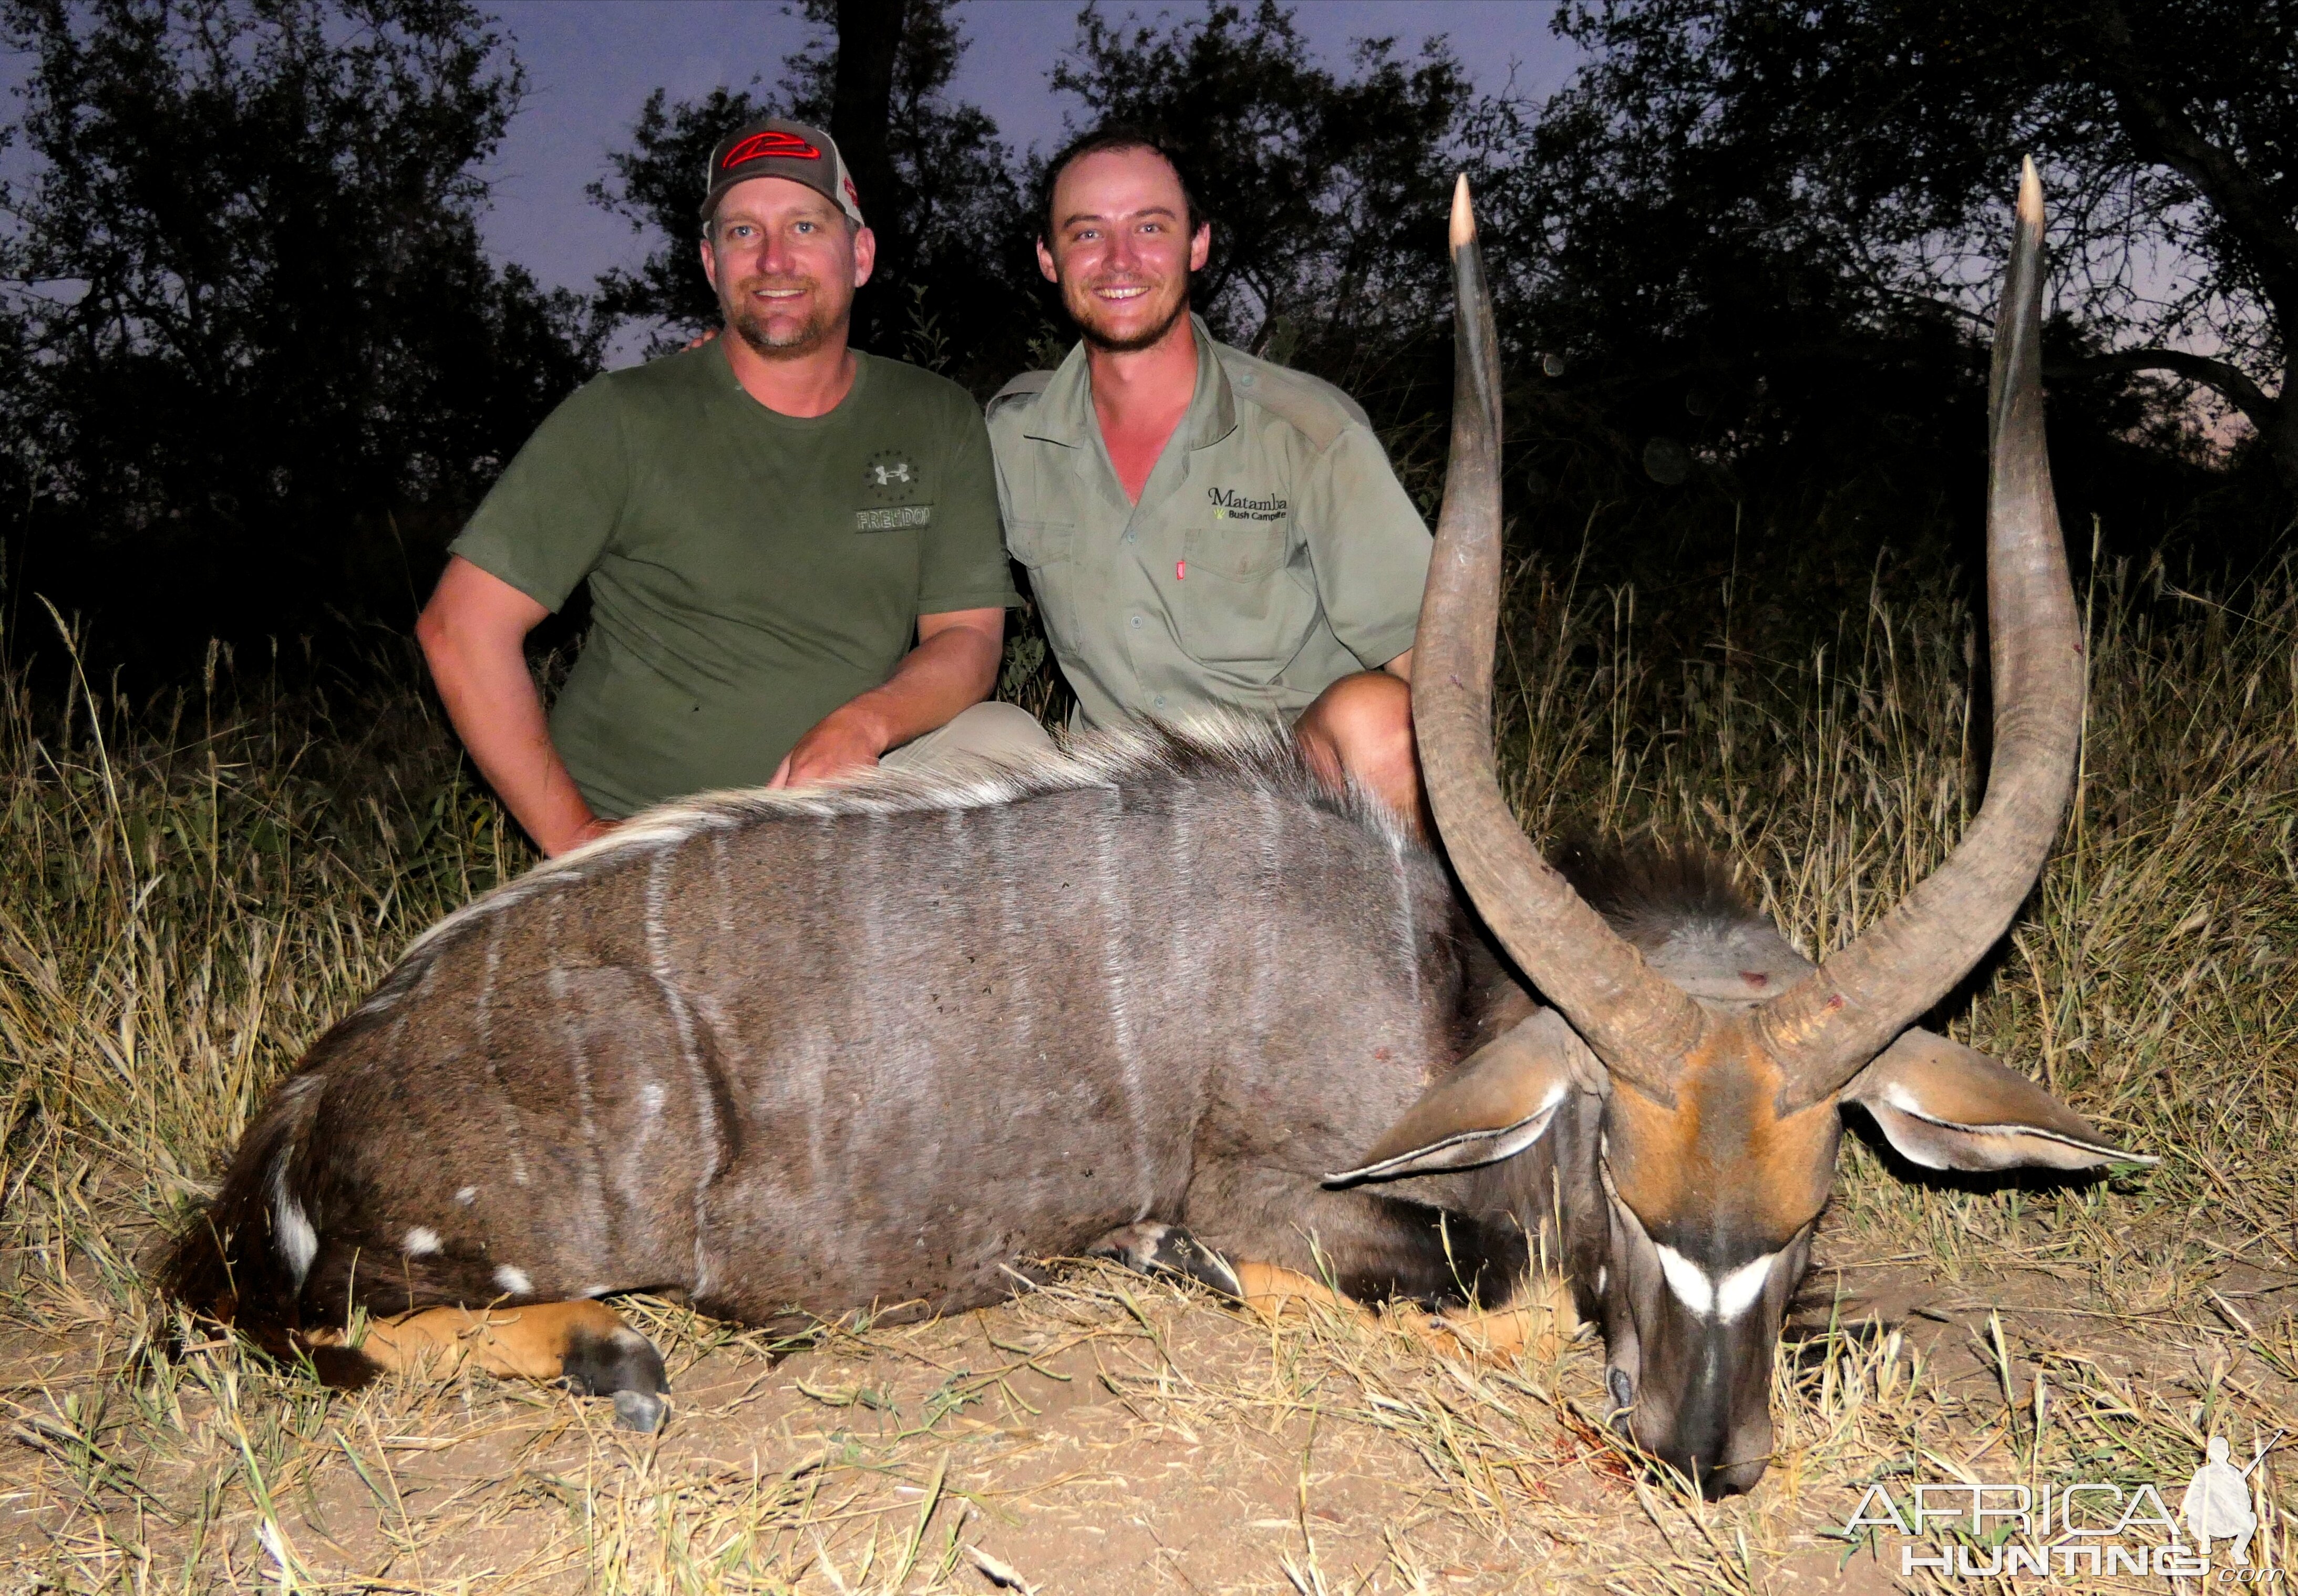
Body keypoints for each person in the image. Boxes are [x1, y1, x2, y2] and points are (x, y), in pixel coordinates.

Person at [418, 116, 1050, 857]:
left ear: (861, 254)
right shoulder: (623, 415)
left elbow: (967, 637)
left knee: (1009, 746)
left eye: (806, 225)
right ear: (711, 264)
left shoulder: (933, 414)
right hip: (657, 837)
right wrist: (585, 843)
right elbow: (461, 628)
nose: (774, 259)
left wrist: (861, 727)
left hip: (839, 802)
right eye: (743, 233)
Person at [988, 127, 1432, 822]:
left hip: (1291, 802)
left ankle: (1421, 925)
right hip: (1113, 808)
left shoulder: (1307, 433)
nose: (1119, 260)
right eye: (1086, 234)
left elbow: (1434, 667)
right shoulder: (1010, 438)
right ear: (1048, 259)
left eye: (1150, 227)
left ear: (1197, 244)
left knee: (1386, 720)